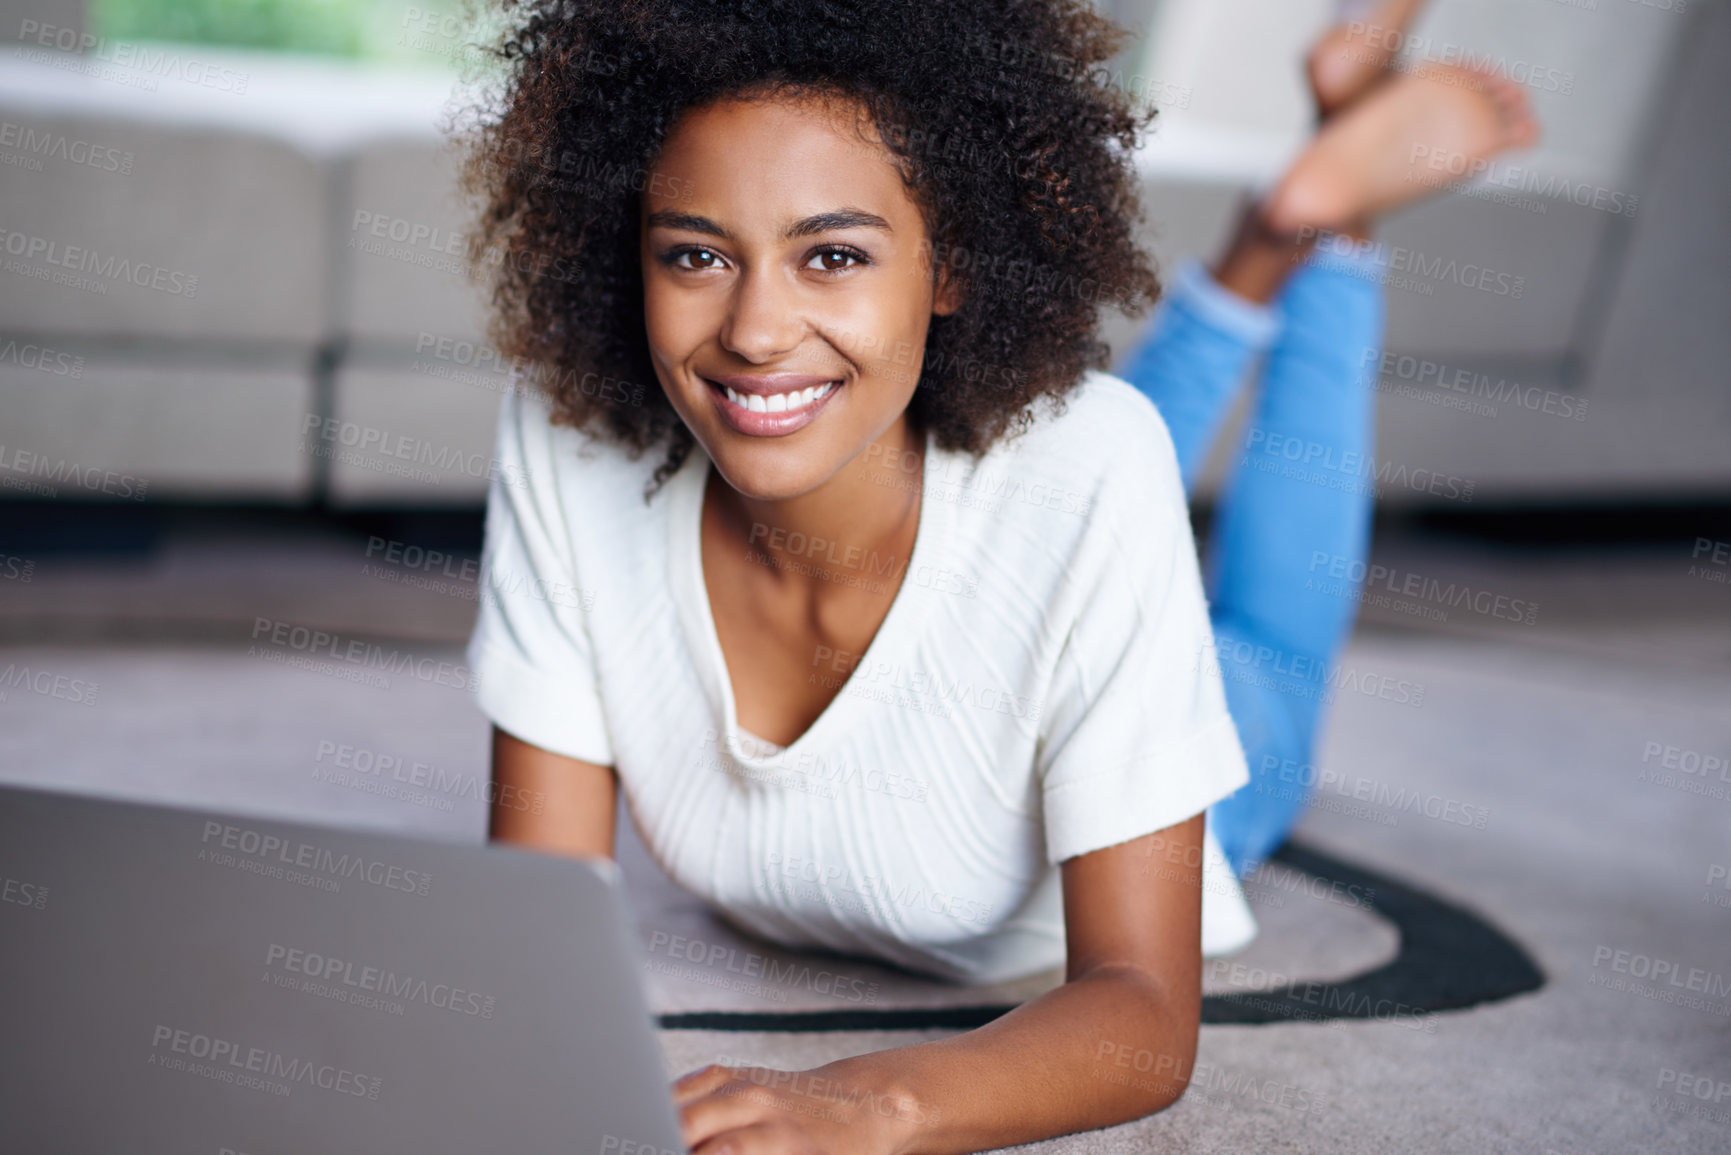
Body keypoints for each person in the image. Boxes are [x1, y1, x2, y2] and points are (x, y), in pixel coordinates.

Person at [459, 2, 1534, 1153]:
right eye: (696, 255)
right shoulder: (569, 445)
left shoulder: (1085, 466)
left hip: (1169, 730)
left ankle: (1316, 229)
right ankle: (1278, 226)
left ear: (952, 266)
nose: (757, 329)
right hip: (1018, 517)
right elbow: (543, 935)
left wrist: (876, 1106)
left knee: (1257, 626)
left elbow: (1143, 1022)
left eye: (833, 254)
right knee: (1069, 466)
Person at [1119, 0, 1539, 876]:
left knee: (1262, 646)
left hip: (1120, 764)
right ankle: (1286, 226)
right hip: (1162, 761)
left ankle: (1311, 219)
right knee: (1242, 641)